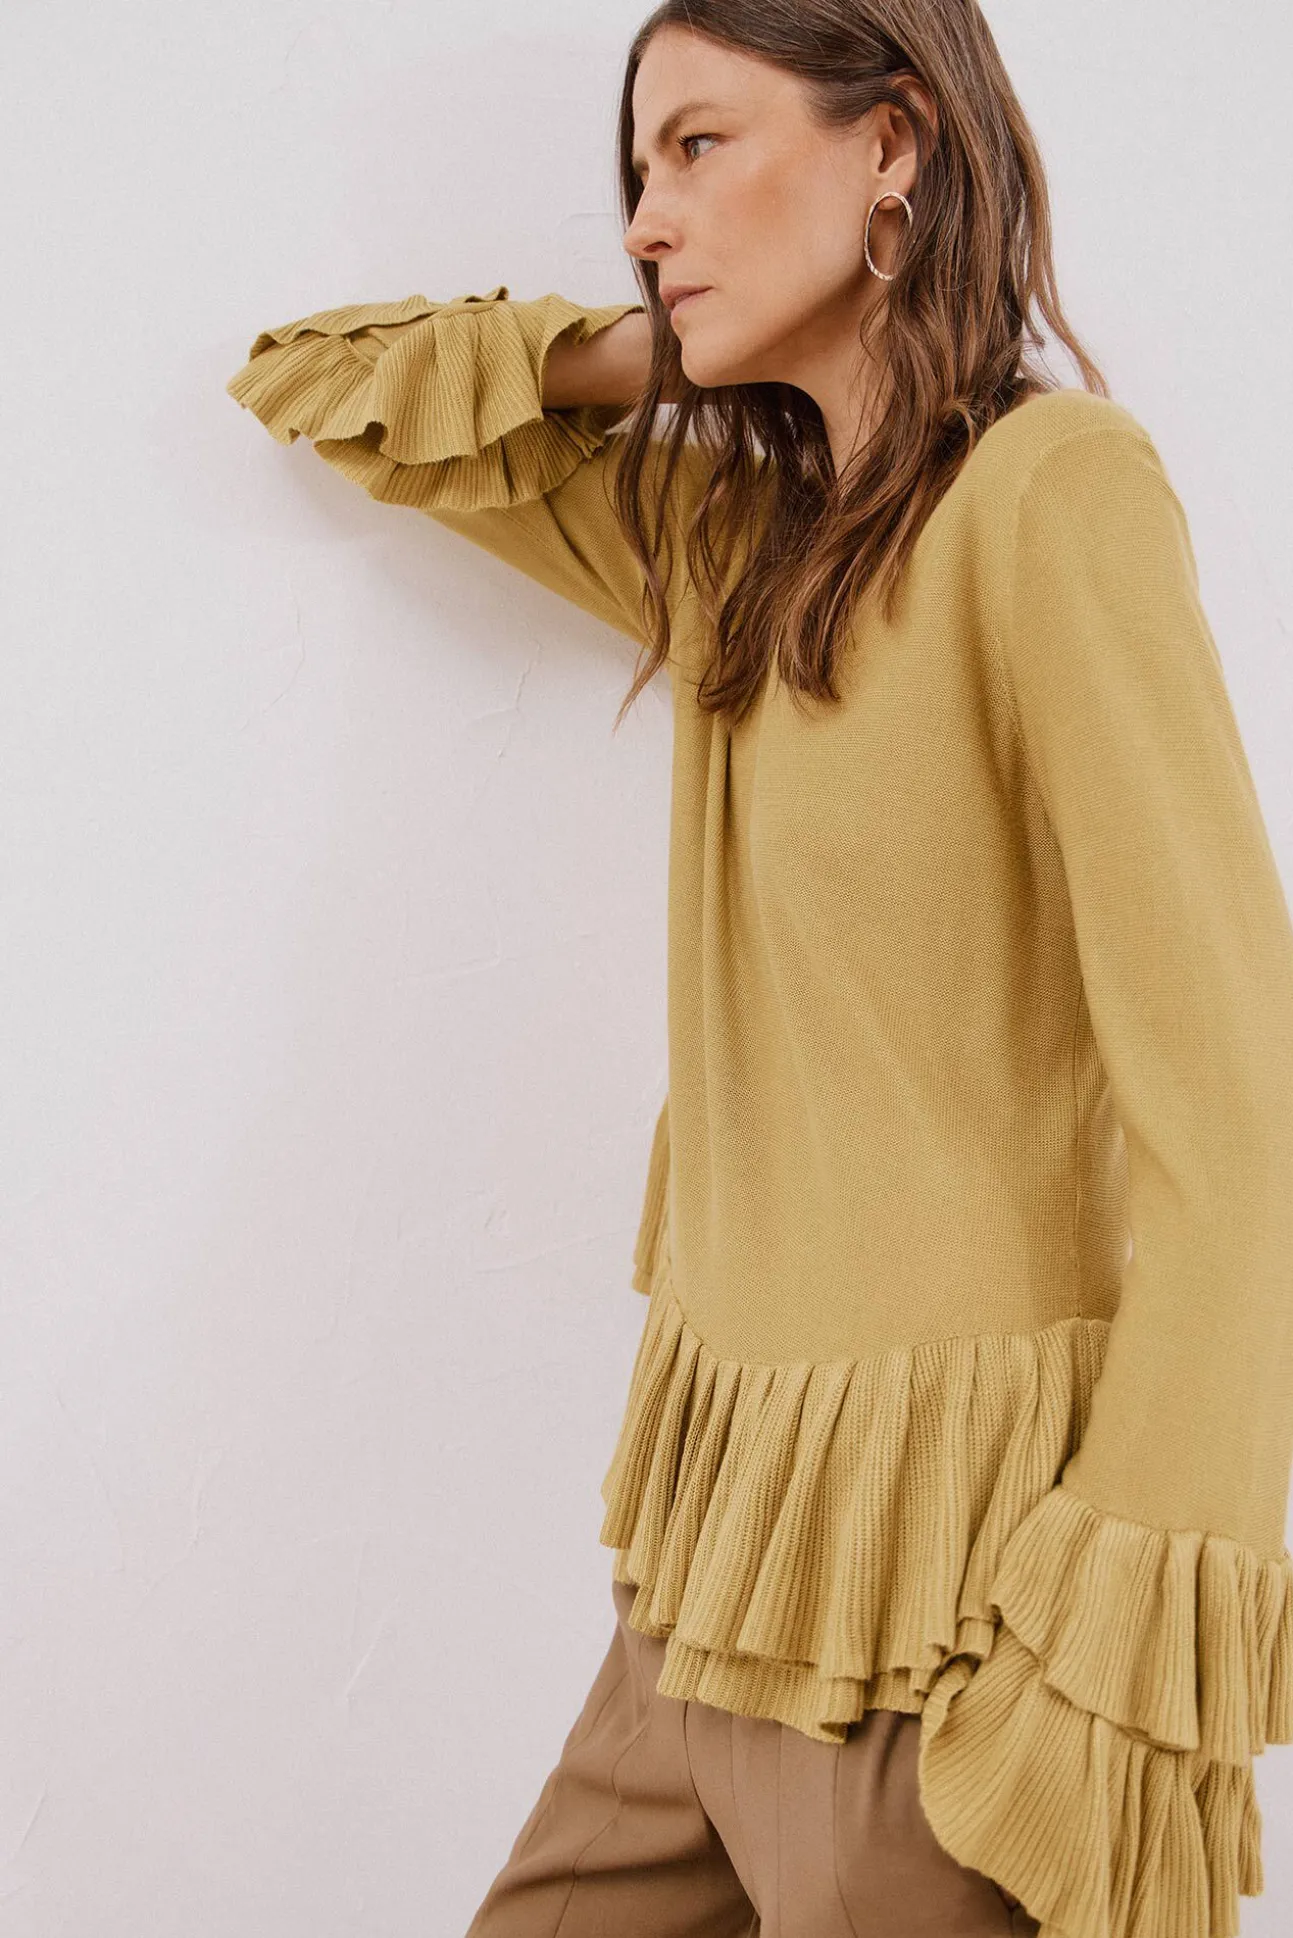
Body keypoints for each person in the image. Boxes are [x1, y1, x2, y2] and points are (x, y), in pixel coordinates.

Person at [224, 4, 1293, 1934]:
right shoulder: (734, 537)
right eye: (637, 169)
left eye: (701, 146)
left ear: (895, 144)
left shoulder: (1053, 495)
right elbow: (326, 383)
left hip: (938, 1602)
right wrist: (674, 336)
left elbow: (1245, 1117)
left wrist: (1104, 1651)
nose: (646, 213)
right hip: (710, 1561)